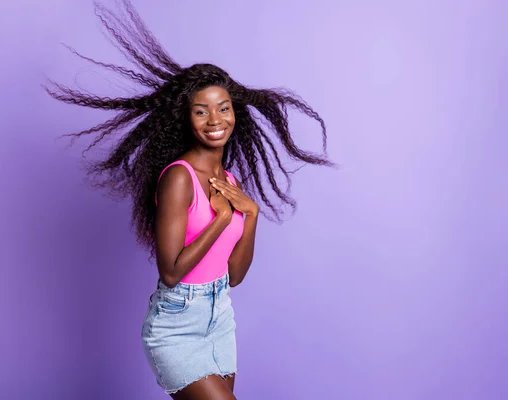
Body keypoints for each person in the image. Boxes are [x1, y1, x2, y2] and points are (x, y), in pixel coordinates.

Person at [46, 1, 332, 398]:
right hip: (178, 321)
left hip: (220, 317)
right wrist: (218, 221)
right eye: (201, 111)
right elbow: (171, 272)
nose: (215, 121)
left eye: (223, 108)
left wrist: (250, 217)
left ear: (235, 113)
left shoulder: (227, 179)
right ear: (186, 118)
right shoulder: (179, 179)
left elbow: (234, 276)